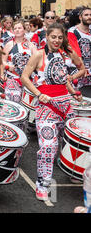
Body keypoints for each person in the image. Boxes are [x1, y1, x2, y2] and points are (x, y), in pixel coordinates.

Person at [21, 22, 85, 201]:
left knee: (73, 143)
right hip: (46, 107)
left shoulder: (67, 54)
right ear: (46, 37)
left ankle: (73, 171)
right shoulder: (38, 55)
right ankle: (42, 184)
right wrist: (38, 93)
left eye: (59, 37)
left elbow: (79, 70)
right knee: (48, 147)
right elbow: (24, 77)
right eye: (53, 37)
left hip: (66, 106)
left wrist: (73, 90)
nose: (56, 40)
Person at [2, 20, 37, 102]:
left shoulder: (31, 45)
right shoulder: (9, 44)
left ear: (24, 30)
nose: (17, 30)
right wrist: (8, 66)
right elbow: (2, 61)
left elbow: (37, 62)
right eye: (15, 28)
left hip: (28, 79)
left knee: (26, 106)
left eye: (19, 28)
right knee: (13, 106)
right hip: (13, 79)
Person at [67, 6, 91, 88]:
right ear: (80, 17)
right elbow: (76, 54)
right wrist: (83, 70)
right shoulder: (72, 31)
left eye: (90, 15)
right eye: (86, 15)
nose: (89, 17)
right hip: (78, 73)